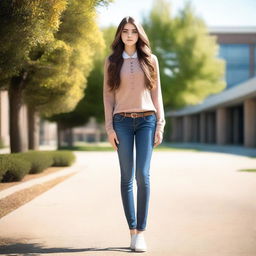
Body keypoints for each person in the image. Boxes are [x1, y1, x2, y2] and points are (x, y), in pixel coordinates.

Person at [103, 16, 165, 252]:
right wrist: (109, 128)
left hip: (147, 121)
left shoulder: (151, 59)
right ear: (120, 34)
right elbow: (108, 97)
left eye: (134, 31)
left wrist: (160, 124)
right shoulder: (111, 61)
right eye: (125, 31)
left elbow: (157, 94)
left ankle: (142, 232)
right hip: (122, 123)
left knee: (143, 175)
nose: (129, 35)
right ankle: (132, 233)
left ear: (139, 35)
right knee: (127, 177)